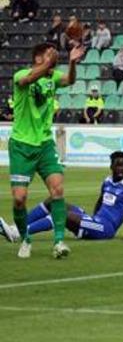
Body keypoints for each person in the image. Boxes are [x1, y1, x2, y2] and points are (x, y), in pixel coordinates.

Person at [4, 43, 84, 259]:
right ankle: (25, 240)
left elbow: (70, 80)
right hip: (22, 145)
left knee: (57, 190)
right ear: (38, 58)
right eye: (49, 53)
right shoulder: (22, 74)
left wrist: (73, 63)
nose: (54, 55)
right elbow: (26, 80)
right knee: (20, 198)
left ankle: (59, 241)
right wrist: (49, 63)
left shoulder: (53, 76)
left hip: (45, 145)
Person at [21, 151, 123, 242]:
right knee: (54, 201)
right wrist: (91, 220)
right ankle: (19, 226)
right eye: (118, 165)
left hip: (106, 229)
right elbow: (100, 201)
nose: (122, 168)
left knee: (63, 214)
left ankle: (21, 233)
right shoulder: (107, 181)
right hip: (95, 221)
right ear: (111, 166)